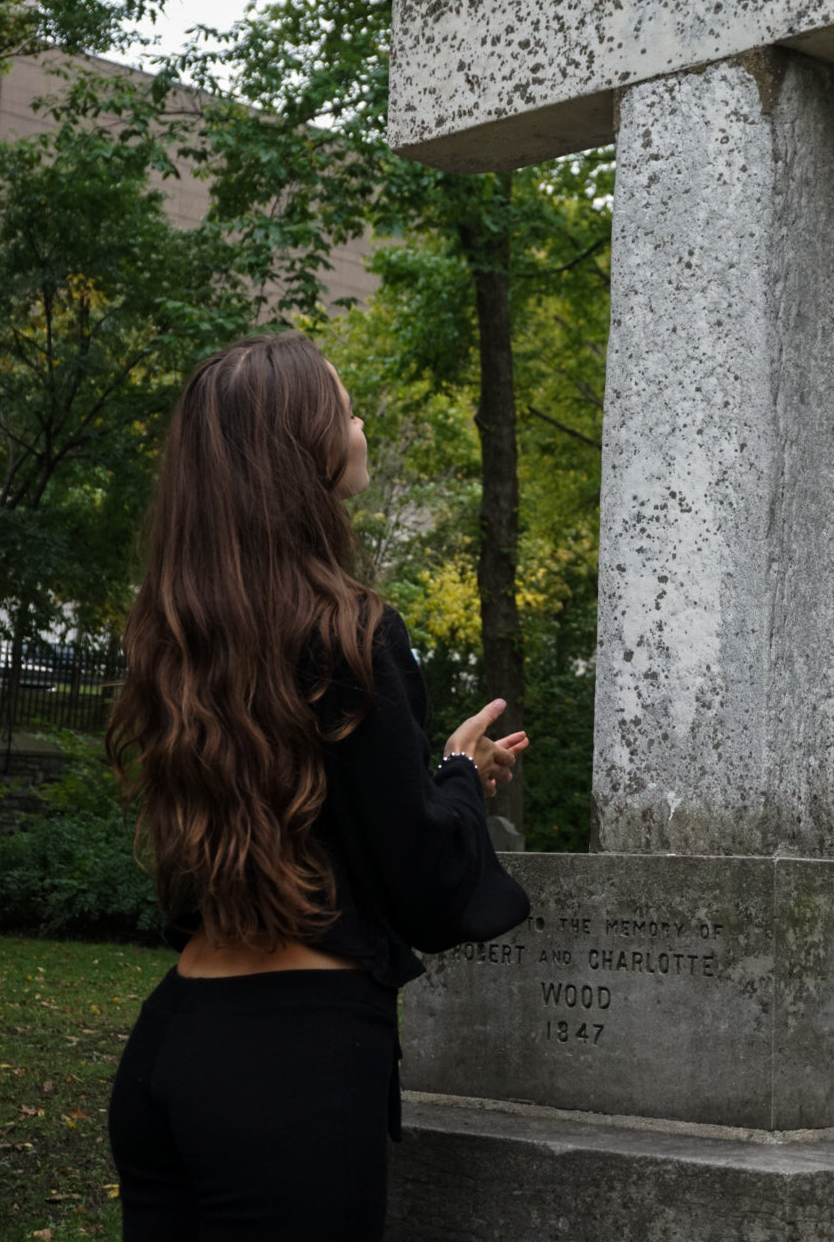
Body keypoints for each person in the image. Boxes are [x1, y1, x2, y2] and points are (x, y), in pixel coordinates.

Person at [106, 331, 530, 1241]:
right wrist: (459, 776)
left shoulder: (179, 634)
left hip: (172, 1036)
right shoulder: (351, 630)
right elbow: (421, 880)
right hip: (292, 1063)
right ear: (302, 448)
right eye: (343, 407)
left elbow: (312, 823)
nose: (360, 421)